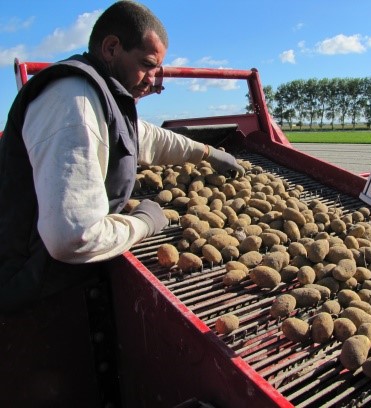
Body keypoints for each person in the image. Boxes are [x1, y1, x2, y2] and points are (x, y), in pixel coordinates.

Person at [0, 0, 244, 313]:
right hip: (31, 291)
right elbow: (72, 237)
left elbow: (148, 138)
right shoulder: (72, 102)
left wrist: (207, 153)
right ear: (112, 48)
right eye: (147, 64)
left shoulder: (102, 95)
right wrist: (142, 224)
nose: (153, 80)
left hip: (59, 276)